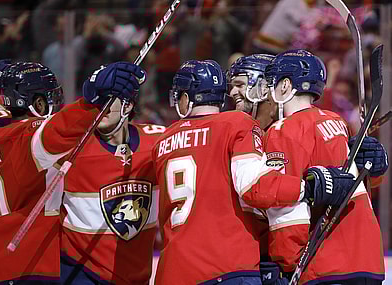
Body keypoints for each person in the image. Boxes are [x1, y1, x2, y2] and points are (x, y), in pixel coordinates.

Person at [151, 59, 357, 285]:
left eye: (241, 84)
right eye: (231, 86)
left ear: (267, 88)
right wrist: (308, 188)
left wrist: (365, 161)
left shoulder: (168, 138)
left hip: (183, 268)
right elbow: (257, 187)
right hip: (241, 263)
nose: (233, 92)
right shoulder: (236, 126)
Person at [0, 59, 144, 284]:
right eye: (48, 99)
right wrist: (93, 102)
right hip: (26, 267)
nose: (54, 106)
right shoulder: (28, 139)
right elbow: (59, 131)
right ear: (37, 103)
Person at [228, 53, 388, 285]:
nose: (234, 94)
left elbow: (286, 209)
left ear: (283, 86)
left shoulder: (283, 130)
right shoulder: (336, 121)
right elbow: (346, 184)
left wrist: (288, 263)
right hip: (367, 259)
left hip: (322, 264)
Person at [60, 64, 166, 284]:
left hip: (136, 275)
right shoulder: (71, 147)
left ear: (127, 105)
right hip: (81, 273)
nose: (98, 110)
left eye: (105, 102)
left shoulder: (157, 142)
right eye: (93, 103)